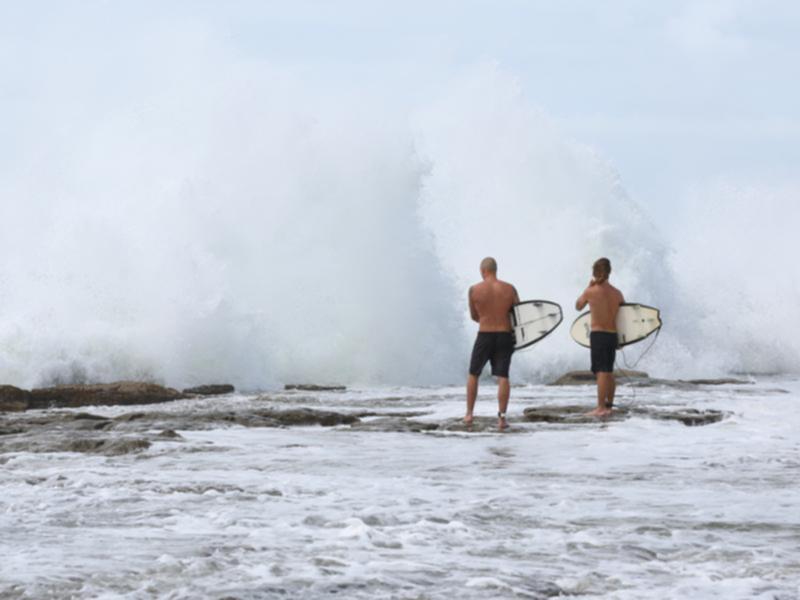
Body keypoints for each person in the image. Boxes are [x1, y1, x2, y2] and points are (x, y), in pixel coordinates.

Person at [465, 257, 520, 430]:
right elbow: (518, 314)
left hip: (485, 335)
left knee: (474, 373)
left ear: (483, 271)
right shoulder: (509, 288)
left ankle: (469, 414)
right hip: (505, 335)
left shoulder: (474, 290)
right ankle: (502, 418)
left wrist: (486, 318)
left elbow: (474, 316)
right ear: (496, 270)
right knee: (503, 376)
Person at [575, 257, 625, 417]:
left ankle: (601, 408)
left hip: (598, 335)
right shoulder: (617, 293)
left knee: (601, 372)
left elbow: (578, 306)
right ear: (609, 273)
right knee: (608, 370)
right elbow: (624, 316)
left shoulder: (591, 291)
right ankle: (609, 404)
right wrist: (621, 338)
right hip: (612, 335)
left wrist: (587, 288)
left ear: (595, 273)